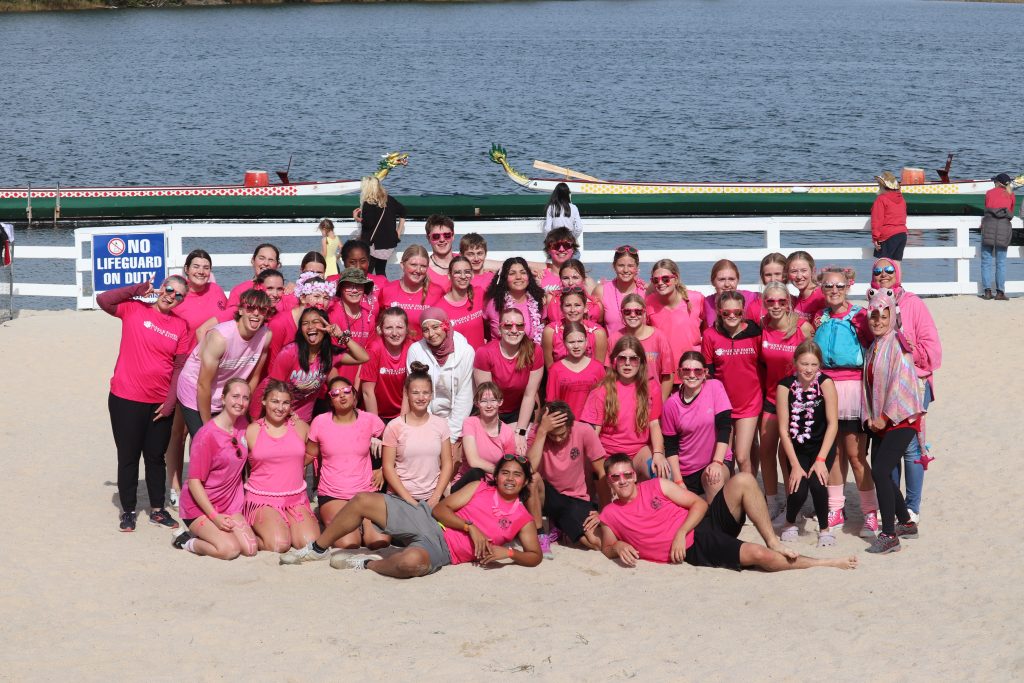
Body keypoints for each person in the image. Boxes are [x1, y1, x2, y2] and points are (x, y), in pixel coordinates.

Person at [280, 455, 542, 576]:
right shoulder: (480, 488)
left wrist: (508, 553)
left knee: (410, 564)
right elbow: (441, 509)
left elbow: (534, 555)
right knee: (362, 500)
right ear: (496, 476)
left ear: (525, 481)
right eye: (505, 473)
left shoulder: (522, 517)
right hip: (428, 519)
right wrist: (469, 527)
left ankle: (365, 564)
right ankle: (317, 548)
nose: (510, 478)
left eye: (517, 475)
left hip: (444, 550)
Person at [595, 454, 857, 571]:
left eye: (627, 474)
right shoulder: (610, 513)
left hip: (697, 524)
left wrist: (681, 531)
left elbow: (699, 504)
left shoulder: (655, 485)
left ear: (633, 474)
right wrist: (617, 547)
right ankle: (825, 563)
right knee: (757, 556)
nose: (623, 481)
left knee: (743, 478)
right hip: (695, 547)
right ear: (609, 481)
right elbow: (606, 546)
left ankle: (774, 541)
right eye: (616, 477)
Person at [98, 276, 190, 532]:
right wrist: (137, 290)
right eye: (169, 289)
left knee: (155, 457)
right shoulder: (134, 308)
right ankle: (128, 511)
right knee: (128, 457)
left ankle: (157, 511)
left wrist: (171, 402)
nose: (172, 296)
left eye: (179, 295)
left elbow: (179, 366)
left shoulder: (181, 326)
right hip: (125, 398)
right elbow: (103, 300)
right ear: (161, 288)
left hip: (159, 403)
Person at [870, 258, 941, 522]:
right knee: (887, 444)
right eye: (877, 271)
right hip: (884, 383)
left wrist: (910, 348)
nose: (883, 274)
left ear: (897, 273)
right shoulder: (873, 301)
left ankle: (912, 506)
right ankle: (892, 502)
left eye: (889, 270)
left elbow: (933, 349)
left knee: (910, 447)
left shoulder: (913, 303)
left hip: (914, 381)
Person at [812, 267, 876, 536]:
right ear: (822, 289)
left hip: (852, 389)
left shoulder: (859, 316)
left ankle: (871, 512)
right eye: (828, 287)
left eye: (839, 286)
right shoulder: (820, 318)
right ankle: (836, 509)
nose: (834, 291)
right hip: (826, 387)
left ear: (848, 286)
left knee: (856, 454)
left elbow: (875, 348)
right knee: (833, 454)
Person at [862, 288, 925, 554]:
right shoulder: (874, 346)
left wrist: (884, 418)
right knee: (881, 470)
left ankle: (889, 534)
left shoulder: (897, 343)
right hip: (880, 420)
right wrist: (870, 417)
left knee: (879, 471)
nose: (878, 320)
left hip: (900, 419)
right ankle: (907, 523)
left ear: (892, 316)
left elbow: (901, 385)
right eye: (873, 315)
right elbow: (868, 385)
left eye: (883, 315)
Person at [164, 248, 228, 509]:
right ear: (186, 270)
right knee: (178, 432)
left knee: (200, 433)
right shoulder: (179, 295)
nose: (201, 271)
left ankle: (199, 483)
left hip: (211, 370)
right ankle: (174, 485)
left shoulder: (217, 292)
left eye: (205, 267)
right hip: (182, 370)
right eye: (196, 266)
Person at [174, 379, 258, 559]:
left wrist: (292, 418)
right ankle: (187, 541)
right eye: (235, 396)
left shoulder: (243, 424)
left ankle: (211, 533)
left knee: (250, 549)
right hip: (201, 507)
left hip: (230, 504)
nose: (240, 402)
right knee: (229, 550)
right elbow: (194, 482)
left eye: (245, 398)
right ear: (223, 399)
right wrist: (214, 516)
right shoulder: (207, 435)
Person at [306, 376, 389, 550]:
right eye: (335, 393)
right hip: (333, 493)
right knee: (349, 543)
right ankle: (343, 523)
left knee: (379, 542)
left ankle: (362, 524)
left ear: (354, 395)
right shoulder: (320, 422)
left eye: (346, 391)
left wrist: (383, 469)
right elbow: (308, 455)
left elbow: (395, 444)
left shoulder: (370, 420)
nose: (342, 396)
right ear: (330, 399)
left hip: (365, 491)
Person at [176, 288, 272, 436]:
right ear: (240, 310)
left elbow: (254, 378)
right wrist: (208, 425)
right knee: (205, 438)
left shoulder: (265, 336)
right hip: (194, 388)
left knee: (231, 441)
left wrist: (242, 405)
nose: (256, 313)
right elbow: (203, 384)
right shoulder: (220, 337)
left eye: (262, 310)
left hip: (225, 392)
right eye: (251, 308)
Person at [757, 282, 815, 518]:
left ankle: (795, 501)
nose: (776, 306)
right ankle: (772, 500)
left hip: (797, 399)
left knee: (788, 452)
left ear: (789, 303)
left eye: (782, 301)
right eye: (771, 301)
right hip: (771, 397)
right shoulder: (762, 326)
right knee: (767, 449)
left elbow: (813, 364)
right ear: (764, 303)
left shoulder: (802, 328)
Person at [776, 340, 839, 548]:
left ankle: (824, 529)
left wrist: (821, 459)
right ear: (795, 363)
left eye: (813, 364)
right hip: (796, 448)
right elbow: (784, 430)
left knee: (818, 484)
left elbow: (832, 424)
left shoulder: (825, 383)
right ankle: (789, 522)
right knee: (798, 488)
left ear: (819, 365)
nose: (809, 369)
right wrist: (794, 465)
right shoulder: (785, 387)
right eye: (804, 364)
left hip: (822, 445)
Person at [243, 380, 319, 552]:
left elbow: (315, 451)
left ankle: (284, 527)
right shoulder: (252, 430)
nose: (280, 407)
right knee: (279, 544)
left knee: (308, 543)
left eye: (285, 402)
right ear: (264, 401)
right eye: (275, 401)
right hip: (262, 500)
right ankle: (247, 535)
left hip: (295, 498)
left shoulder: (301, 427)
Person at [581, 336, 671, 481]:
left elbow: (654, 424)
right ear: (614, 361)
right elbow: (592, 434)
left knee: (662, 471)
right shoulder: (601, 391)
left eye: (633, 359)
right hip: (608, 454)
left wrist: (659, 454)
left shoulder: (651, 387)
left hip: (638, 451)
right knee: (616, 485)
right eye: (622, 358)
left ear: (641, 362)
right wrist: (597, 467)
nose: (627, 364)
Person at [258, 307, 368, 422]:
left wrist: (340, 335)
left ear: (326, 327)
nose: (310, 326)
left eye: (316, 322)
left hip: (304, 418)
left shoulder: (330, 354)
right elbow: (273, 389)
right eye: (305, 323)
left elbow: (363, 357)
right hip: (279, 414)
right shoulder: (289, 352)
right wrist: (288, 414)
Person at [526, 402, 607, 555]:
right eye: (552, 435)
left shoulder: (584, 431)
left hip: (576, 499)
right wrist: (543, 432)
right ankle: (540, 534)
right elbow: (529, 470)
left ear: (570, 425)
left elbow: (602, 472)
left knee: (595, 542)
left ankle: (560, 526)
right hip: (547, 497)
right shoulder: (538, 432)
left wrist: (605, 512)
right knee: (532, 479)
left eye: (562, 434)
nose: (557, 439)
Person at [701, 290, 762, 476]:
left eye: (737, 312)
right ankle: (730, 498)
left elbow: (765, 366)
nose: (732, 316)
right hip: (723, 405)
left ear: (743, 311)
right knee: (725, 458)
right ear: (719, 311)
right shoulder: (710, 335)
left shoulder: (755, 333)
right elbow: (708, 374)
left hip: (749, 403)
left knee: (742, 456)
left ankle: (751, 499)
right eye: (726, 313)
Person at [660, 352, 734, 503]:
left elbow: (725, 428)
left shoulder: (715, 387)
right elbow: (671, 447)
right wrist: (678, 481)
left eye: (698, 371)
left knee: (714, 479)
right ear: (679, 372)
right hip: (687, 469)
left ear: (705, 373)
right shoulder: (671, 404)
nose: (692, 375)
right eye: (686, 370)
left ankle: (717, 523)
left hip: (715, 461)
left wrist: (717, 462)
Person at [381, 363, 454, 509]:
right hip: (401, 498)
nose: (421, 397)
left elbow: (447, 464)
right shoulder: (394, 426)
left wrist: (436, 497)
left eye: (425, 392)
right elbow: (388, 467)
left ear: (431, 394)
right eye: (415, 392)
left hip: (432, 497)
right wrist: (410, 501)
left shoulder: (441, 424)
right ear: (407, 394)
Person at [474, 307, 544, 452]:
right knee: (494, 449)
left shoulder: (534, 351)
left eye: (519, 325)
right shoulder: (484, 353)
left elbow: (529, 395)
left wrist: (520, 432)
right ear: (499, 329)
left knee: (520, 449)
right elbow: (487, 398)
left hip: (519, 411)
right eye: (508, 325)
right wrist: (499, 431)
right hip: (490, 411)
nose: (514, 330)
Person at [405, 308, 476, 446]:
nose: (431, 334)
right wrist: (431, 429)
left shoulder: (466, 352)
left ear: (446, 325)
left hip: (457, 423)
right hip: (425, 422)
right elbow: (416, 392)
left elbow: (465, 396)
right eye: (425, 330)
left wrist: (452, 437)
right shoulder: (415, 351)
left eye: (435, 327)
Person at [607, 293, 674, 400]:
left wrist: (660, 402)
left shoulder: (659, 337)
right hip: (623, 400)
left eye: (638, 312)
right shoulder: (614, 339)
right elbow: (610, 374)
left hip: (652, 399)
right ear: (622, 314)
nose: (633, 315)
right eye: (627, 312)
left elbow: (668, 375)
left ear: (644, 313)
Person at [266, 272, 332, 372]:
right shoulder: (279, 323)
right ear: (302, 298)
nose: (322, 302)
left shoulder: (321, 323)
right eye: (317, 296)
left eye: (326, 298)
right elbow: (271, 365)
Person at [455, 382, 517, 485]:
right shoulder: (470, 423)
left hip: (494, 483)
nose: (489, 405)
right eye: (483, 401)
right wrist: (499, 471)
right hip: (468, 482)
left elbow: (509, 465)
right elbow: (473, 461)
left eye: (493, 400)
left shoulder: (508, 432)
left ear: (500, 402)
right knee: (476, 473)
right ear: (477, 403)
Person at [646, 258, 704, 366]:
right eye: (655, 280)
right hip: (663, 370)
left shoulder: (696, 299)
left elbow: (707, 330)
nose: (660, 283)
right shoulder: (648, 304)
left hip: (692, 370)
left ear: (676, 279)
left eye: (665, 279)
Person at [379, 245, 444, 340]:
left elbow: (443, 326)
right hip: (393, 351)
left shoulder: (437, 292)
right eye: (413, 265)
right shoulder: (387, 290)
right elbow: (378, 323)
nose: (418, 270)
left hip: (424, 351)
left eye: (423, 266)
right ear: (402, 265)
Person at [359, 307, 412, 423]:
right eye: (388, 328)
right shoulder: (374, 349)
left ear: (406, 329)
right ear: (380, 329)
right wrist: (377, 426)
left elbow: (409, 390)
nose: (394, 333)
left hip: (403, 413)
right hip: (376, 414)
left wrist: (402, 423)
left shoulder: (412, 348)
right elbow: (367, 392)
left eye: (399, 327)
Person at [545, 321, 606, 418]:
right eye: (571, 342)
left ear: (586, 341)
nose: (576, 346)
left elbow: (604, 400)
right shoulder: (555, 369)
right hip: (565, 425)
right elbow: (552, 403)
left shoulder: (597, 368)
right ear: (564, 343)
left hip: (591, 426)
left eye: (580, 341)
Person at [484, 257, 547, 343]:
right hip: (500, 354)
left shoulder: (538, 301)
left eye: (523, 272)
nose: (518, 277)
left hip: (531, 354)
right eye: (512, 273)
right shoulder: (494, 303)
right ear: (504, 278)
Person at [352, 175, 406, 275]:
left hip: (374, 245)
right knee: (381, 271)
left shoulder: (369, 203)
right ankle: (383, 290)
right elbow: (403, 211)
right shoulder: (389, 199)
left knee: (367, 273)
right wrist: (398, 232)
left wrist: (357, 218)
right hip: (388, 244)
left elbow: (368, 224)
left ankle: (368, 290)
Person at [541, 286, 607, 368]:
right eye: (568, 305)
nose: (572, 310)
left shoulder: (598, 332)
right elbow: (550, 368)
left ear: (585, 308)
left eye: (577, 305)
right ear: (561, 308)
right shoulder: (550, 331)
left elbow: (599, 369)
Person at [592, 244, 645, 333]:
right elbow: (593, 324)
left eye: (630, 266)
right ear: (614, 266)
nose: (625, 270)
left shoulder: (645, 291)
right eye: (621, 265)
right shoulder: (601, 291)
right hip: (613, 345)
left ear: (636, 267)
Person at [980, 172, 1016, 301]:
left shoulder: (989, 193)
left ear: (998, 183)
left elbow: (986, 208)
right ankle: (1000, 292)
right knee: (1001, 262)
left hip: (988, 227)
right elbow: (1011, 213)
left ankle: (987, 292)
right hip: (1003, 229)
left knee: (986, 261)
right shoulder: (1011, 193)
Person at [436, 255, 486, 348]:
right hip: (458, 361)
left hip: (480, 360)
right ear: (449, 276)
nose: (463, 276)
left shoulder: (479, 293)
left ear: (472, 274)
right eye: (457, 272)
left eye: (467, 272)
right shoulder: (439, 309)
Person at [327, 267, 378, 352]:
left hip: (362, 363)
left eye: (359, 286)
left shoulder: (369, 317)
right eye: (349, 286)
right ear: (341, 289)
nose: (354, 290)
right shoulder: (331, 314)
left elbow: (370, 350)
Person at [701, 259, 759, 324]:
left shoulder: (751, 298)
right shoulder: (706, 303)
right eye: (721, 279)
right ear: (713, 282)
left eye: (731, 279)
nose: (727, 284)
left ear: (738, 280)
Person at [544, 258, 601, 323]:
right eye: (566, 278)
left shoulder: (596, 305)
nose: (570, 283)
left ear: (583, 279)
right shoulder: (551, 299)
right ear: (560, 279)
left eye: (575, 278)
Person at [225, 243, 280, 310]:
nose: (266, 263)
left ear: (277, 265)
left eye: (271, 260)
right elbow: (230, 314)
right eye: (261, 258)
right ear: (253, 260)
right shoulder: (239, 290)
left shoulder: (285, 291)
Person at [871, 171, 908, 262]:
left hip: (888, 235)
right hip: (902, 234)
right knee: (896, 263)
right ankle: (898, 277)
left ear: (882, 186)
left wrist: (876, 238)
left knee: (884, 263)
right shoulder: (901, 199)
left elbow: (877, 220)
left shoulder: (881, 199)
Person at [536, 228, 583, 294]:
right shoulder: (539, 277)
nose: (561, 249)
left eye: (566, 245)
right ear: (548, 250)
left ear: (572, 249)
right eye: (556, 246)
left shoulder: (583, 279)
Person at [786, 250, 825, 322]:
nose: (799, 276)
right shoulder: (801, 295)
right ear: (788, 274)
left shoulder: (820, 296)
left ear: (813, 271)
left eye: (804, 270)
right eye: (794, 271)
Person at [424, 215, 457, 291]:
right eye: (436, 236)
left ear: (453, 236)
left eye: (447, 235)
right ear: (428, 238)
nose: (442, 239)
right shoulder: (423, 269)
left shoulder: (465, 261)